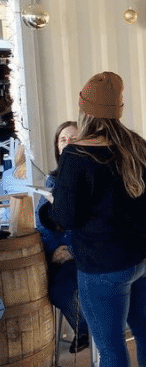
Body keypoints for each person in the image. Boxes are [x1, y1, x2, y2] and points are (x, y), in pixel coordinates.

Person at [53, 72, 146, 367]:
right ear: (118, 108)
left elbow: (64, 218)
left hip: (105, 266)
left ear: (84, 110)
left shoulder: (77, 154)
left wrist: (45, 212)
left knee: (110, 343)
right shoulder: (139, 146)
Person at [36, 120, 90, 353]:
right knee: (61, 287)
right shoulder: (52, 181)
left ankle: (92, 333)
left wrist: (75, 249)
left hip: (89, 251)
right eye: (63, 139)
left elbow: (95, 222)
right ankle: (87, 330)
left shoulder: (93, 177)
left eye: (73, 139)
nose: (67, 143)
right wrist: (54, 251)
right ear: (57, 147)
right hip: (64, 255)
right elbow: (43, 223)